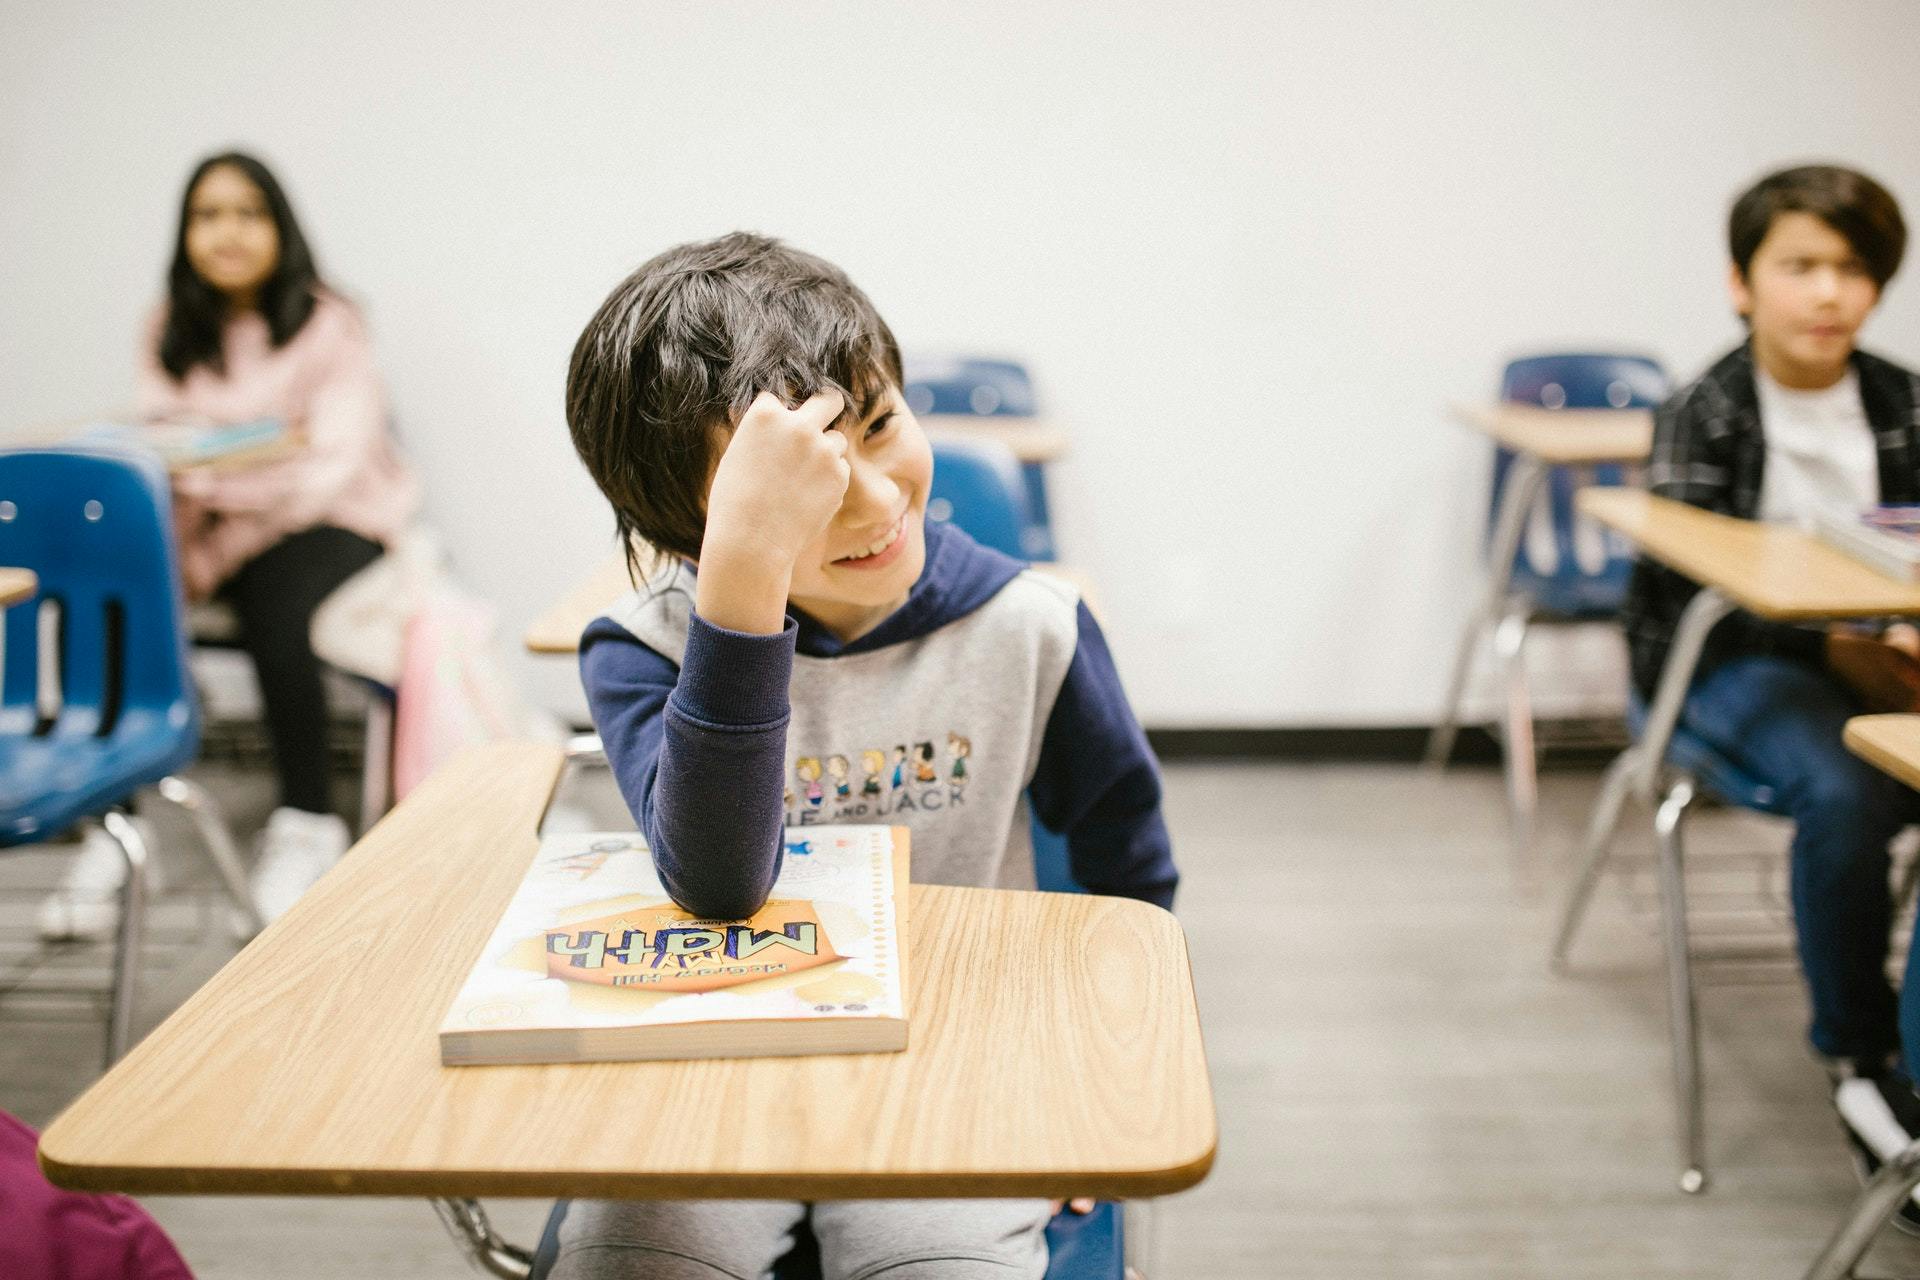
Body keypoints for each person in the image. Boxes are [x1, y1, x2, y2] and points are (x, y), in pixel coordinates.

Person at [557, 231, 1176, 1278]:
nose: (877, 501)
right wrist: (743, 577)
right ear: (694, 530)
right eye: (793, 491)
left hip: (949, 1063)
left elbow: (1129, 875)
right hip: (711, 1064)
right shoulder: (642, 650)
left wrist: (1100, 1077)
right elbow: (717, 883)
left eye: (880, 424)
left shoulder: (1035, 629)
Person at [1619, 163, 1920, 1221]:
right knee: (1850, 792)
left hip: (1887, 654)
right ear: (1743, 282)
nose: (1829, 291)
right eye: (1800, 265)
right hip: (1733, 669)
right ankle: (1863, 1056)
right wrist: (1845, 632)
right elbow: (1693, 585)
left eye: (1853, 268)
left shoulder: (1902, 398)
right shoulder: (1705, 406)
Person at [38, 152, 418, 941]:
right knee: (107, 592)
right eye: (208, 215)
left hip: (335, 518)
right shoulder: (169, 328)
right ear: (186, 235)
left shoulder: (328, 322)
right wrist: (216, 486)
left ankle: (309, 820)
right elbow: (160, 444)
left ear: (280, 227)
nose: (228, 232)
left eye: (248, 213)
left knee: (276, 599)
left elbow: (329, 467)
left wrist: (221, 501)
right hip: (216, 526)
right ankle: (111, 819)